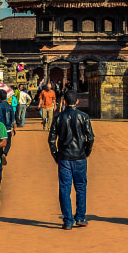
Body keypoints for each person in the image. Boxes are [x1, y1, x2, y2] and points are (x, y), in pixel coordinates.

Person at [49, 90, 95, 229]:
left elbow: (51, 140)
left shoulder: (58, 117)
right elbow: (91, 137)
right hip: (79, 156)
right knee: (80, 187)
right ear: (77, 101)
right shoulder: (84, 117)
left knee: (64, 188)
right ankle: (80, 217)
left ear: (64, 101)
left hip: (64, 157)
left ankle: (68, 220)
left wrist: (56, 155)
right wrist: (86, 151)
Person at [0, 91, 16, 165]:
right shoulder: (9, 107)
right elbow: (13, 119)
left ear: (0, 97)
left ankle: (1, 156)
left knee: (0, 143)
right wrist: (14, 128)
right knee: (8, 143)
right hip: (8, 128)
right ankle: (4, 153)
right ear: (6, 97)